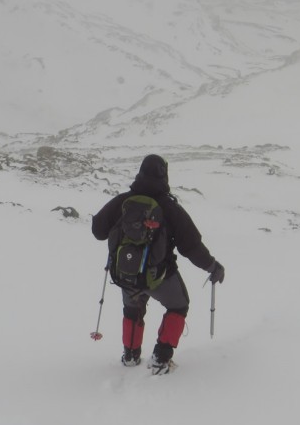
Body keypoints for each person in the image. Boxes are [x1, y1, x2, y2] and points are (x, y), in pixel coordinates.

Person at [91, 154, 225, 374]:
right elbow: (191, 246)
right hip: (159, 275)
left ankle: (130, 356)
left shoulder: (123, 201)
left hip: (126, 273)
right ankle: (161, 358)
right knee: (178, 305)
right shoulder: (169, 208)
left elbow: (98, 230)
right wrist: (213, 267)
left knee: (133, 309)